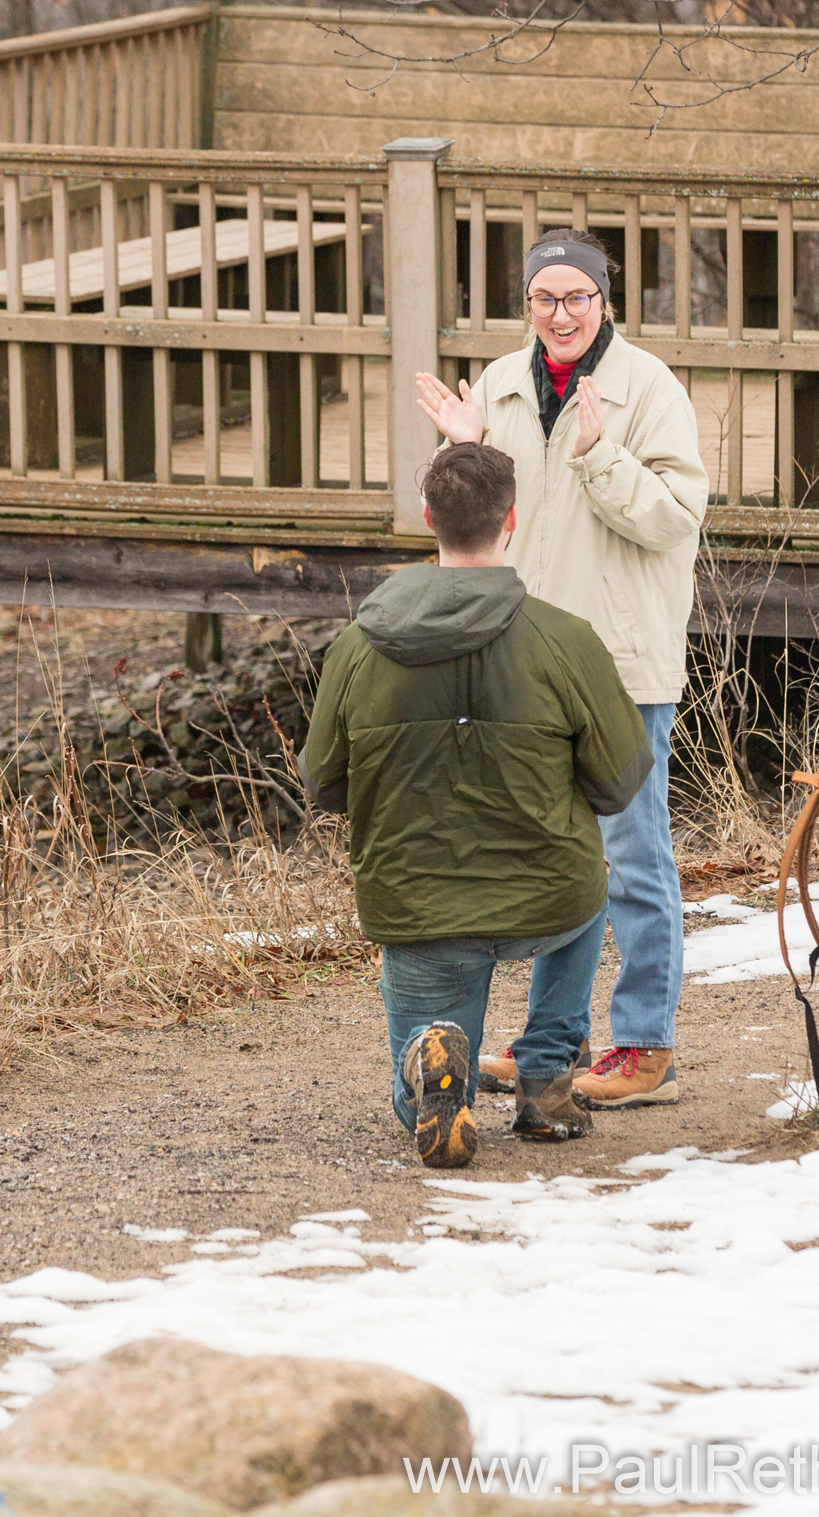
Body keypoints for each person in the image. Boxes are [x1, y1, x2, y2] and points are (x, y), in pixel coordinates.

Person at [416, 227, 709, 1108]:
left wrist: (598, 457)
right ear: (528, 305)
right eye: (544, 298)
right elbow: (475, 525)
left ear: (603, 300)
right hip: (528, 656)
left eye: (576, 296)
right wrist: (461, 449)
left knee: (632, 853)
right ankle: (553, 1039)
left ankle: (644, 1042)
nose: (560, 313)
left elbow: (670, 521)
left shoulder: (646, 388)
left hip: (621, 662)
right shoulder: (501, 387)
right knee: (551, 855)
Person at [298, 440, 652, 1170]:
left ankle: (432, 1074)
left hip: (419, 905)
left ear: (427, 517)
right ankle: (548, 1088)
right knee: (588, 882)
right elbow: (619, 783)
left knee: (421, 1077)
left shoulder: (358, 646)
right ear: (511, 520)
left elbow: (324, 782)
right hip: (551, 898)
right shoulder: (566, 641)